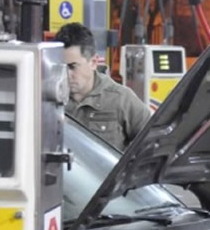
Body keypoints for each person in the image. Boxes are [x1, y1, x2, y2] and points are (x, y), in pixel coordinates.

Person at [55, 22, 149, 150]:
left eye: (72, 67)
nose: (66, 74)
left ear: (93, 62)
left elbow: (152, 142)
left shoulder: (120, 99)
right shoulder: (49, 100)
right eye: (61, 67)